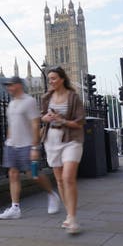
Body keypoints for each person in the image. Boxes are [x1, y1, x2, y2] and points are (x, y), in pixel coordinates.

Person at [0, 76, 61, 220]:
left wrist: (34, 147)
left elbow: (35, 124)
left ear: (18, 85)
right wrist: (8, 141)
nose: (8, 88)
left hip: (26, 145)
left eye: (11, 85)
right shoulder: (12, 104)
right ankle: (15, 207)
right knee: (13, 174)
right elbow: (11, 124)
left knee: (33, 174)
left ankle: (52, 194)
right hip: (12, 145)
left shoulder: (29, 102)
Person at [41, 66, 86, 234]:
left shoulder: (73, 97)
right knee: (59, 180)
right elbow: (42, 116)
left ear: (62, 79)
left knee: (68, 178)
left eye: (53, 78)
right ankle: (69, 215)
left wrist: (62, 120)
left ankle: (72, 218)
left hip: (71, 139)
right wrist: (45, 118)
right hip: (51, 140)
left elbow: (80, 122)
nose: (50, 82)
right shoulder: (46, 97)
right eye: (49, 79)